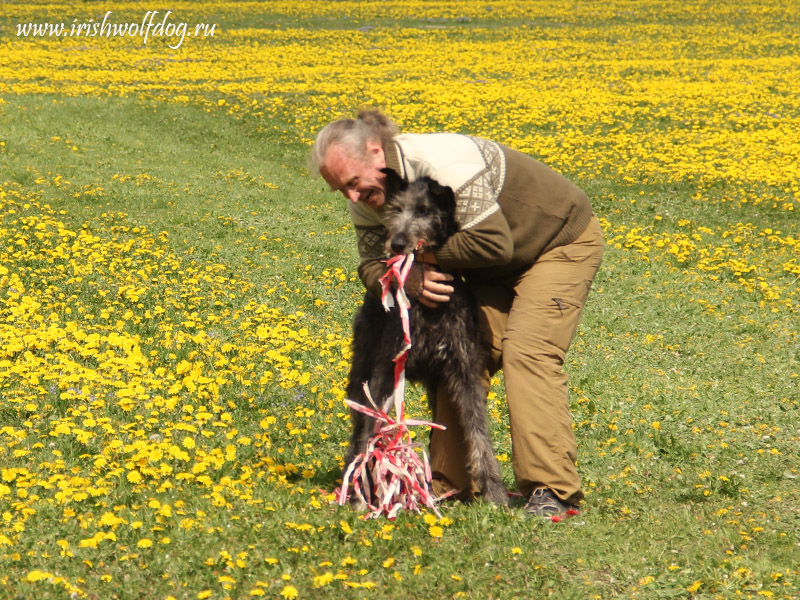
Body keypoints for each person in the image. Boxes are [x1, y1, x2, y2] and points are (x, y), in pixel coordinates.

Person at [309, 109, 604, 518]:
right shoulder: (370, 195)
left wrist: (421, 259)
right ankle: (451, 481)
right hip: (489, 268)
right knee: (463, 349)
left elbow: (494, 243)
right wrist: (408, 280)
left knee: (527, 351)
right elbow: (372, 266)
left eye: (354, 184)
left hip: (554, 244)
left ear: (376, 153)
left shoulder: (443, 164)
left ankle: (551, 489)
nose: (352, 198)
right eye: (342, 190)